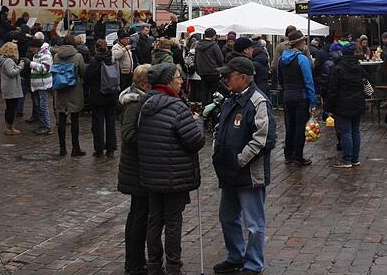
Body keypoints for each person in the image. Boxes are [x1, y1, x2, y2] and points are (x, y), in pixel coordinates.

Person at [136, 63, 205, 275]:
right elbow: (194, 142)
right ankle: (173, 265)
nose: (181, 80)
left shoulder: (144, 104)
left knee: (155, 220)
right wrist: (198, 123)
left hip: (152, 174)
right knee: (173, 223)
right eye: (177, 77)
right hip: (175, 175)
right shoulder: (177, 107)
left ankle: (154, 264)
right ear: (167, 81)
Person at [213, 57, 276, 275]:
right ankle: (236, 256)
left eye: (228, 76)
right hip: (230, 172)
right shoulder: (231, 98)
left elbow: (264, 139)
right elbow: (221, 129)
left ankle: (253, 263)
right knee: (227, 216)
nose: (225, 79)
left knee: (253, 222)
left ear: (243, 77)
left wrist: (239, 159)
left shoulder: (259, 102)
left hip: (249, 173)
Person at [118, 64, 152, 275]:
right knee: (139, 216)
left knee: (138, 214)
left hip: (138, 168)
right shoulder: (134, 104)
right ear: (143, 84)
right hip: (136, 169)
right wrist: (151, 136)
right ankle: (134, 263)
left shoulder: (140, 100)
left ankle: (136, 260)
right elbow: (129, 135)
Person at [278, 30, 317, 166]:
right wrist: (313, 101)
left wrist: (286, 89)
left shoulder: (281, 59)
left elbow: (280, 78)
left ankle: (288, 154)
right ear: (299, 43)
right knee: (300, 127)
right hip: (301, 96)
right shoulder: (302, 59)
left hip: (287, 95)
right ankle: (298, 156)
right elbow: (309, 81)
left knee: (290, 125)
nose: (305, 43)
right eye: (303, 41)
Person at [325, 42, 367, 168]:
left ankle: (347, 159)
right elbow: (366, 80)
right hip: (358, 102)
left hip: (342, 104)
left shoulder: (337, 68)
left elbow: (332, 90)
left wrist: (329, 107)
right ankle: (355, 158)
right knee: (355, 131)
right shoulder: (359, 66)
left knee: (346, 132)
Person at [84, 39, 119, 157]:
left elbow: (87, 78)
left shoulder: (94, 62)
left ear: (95, 48)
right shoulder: (112, 59)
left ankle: (99, 148)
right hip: (112, 94)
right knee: (111, 122)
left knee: (98, 123)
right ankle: (111, 148)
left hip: (98, 95)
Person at [53, 35, 87, 157]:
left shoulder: (56, 56)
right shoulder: (78, 56)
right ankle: (75, 147)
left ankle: (62, 148)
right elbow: (83, 72)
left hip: (61, 90)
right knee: (75, 118)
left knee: (61, 119)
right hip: (74, 90)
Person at [0, 42, 24, 136]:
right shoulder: (8, 61)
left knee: (10, 107)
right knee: (11, 108)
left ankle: (9, 126)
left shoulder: (5, 60)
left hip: (8, 86)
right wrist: (20, 66)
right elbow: (11, 73)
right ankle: (9, 127)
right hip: (11, 88)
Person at [29, 38, 53, 135]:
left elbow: (45, 69)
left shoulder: (46, 55)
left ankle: (46, 126)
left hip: (43, 85)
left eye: (32, 48)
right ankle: (42, 124)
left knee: (43, 106)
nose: (31, 50)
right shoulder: (37, 55)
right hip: (38, 84)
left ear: (37, 47)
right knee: (39, 105)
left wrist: (31, 64)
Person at [195, 28, 225, 104]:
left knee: (204, 91)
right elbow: (220, 59)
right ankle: (212, 110)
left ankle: (204, 108)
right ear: (213, 35)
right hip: (213, 72)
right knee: (214, 92)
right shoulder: (214, 45)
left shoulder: (198, 45)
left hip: (202, 72)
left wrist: (198, 70)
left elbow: (196, 58)